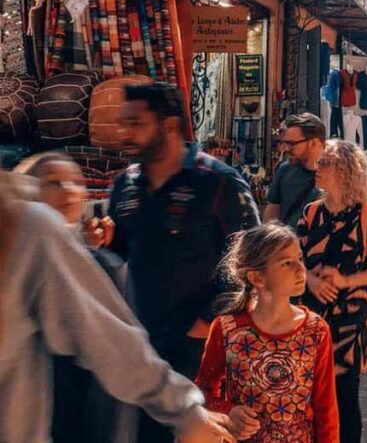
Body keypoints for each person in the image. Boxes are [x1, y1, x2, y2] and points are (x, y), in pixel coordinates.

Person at [0, 170, 237, 443]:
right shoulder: (30, 225)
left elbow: (105, 337)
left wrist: (185, 411)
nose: (68, 191)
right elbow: (105, 338)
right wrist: (185, 412)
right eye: (53, 182)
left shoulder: (23, 227)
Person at [106, 82, 260, 443]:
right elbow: (117, 258)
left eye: (136, 123)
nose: (126, 133)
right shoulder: (125, 186)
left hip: (200, 350)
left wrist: (206, 324)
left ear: (169, 126)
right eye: (123, 123)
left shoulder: (217, 182)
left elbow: (252, 262)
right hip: (142, 350)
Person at [15, 153, 133, 442]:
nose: (68, 190)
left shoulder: (105, 267)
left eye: (75, 182)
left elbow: (120, 361)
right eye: (53, 182)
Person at [196, 223, 339, 442]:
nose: (300, 269)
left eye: (299, 259)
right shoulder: (227, 329)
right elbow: (204, 392)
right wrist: (228, 412)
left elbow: (325, 407)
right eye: (286, 263)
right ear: (257, 278)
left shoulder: (315, 330)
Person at [298, 140, 367, 443]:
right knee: (312, 394)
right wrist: (311, 281)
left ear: (344, 170)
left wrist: (345, 281)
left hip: (353, 320)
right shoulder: (311, 214)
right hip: (311, 316)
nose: (317, 167)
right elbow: (292, 261)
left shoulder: (366, 216)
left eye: (325, 163)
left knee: (345, 397)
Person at [265, 113, 326, 228]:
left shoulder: (337, 175)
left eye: (291, 144)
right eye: (283, 143)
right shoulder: (284, 170)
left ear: (314, 143)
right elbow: (271, 217)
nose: (285, 149)